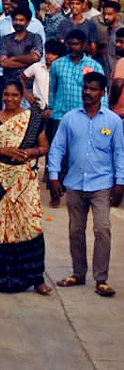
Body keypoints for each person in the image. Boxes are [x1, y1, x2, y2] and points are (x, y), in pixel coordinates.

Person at [48, 72, 124, 297]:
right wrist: (53, 176)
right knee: (75, 230)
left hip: (101, 184)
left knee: (102, 229)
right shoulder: (70, 118)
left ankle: (101, 279)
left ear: (102, 93)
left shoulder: (113, 121)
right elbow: (58, 148)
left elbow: (120, 153)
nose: (87, 93)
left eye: (93, 89)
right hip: (75, 183)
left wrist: (120, 182)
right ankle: (78, 274)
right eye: (86, 88)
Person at [0, 79, 52, 294]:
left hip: (26, 181)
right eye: (6, 95)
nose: (9, 99)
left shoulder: (33, 120)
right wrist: (1, 151)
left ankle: (37, 278)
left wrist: (30, 153)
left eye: (14, 95)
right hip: (1, 181)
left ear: (22, 96)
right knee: (0, 227)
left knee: (30, 225)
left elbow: (44, 146)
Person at [46, 29, 103, 125]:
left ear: (84, 45)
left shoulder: (95, 66)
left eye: (75, 44)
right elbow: (53, 89)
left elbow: (102, 92)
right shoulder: (57, 64)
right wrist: (51, 108)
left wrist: (101, 114)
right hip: (60, 116)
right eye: (69, 44)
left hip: (84, 116)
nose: (72, 47)